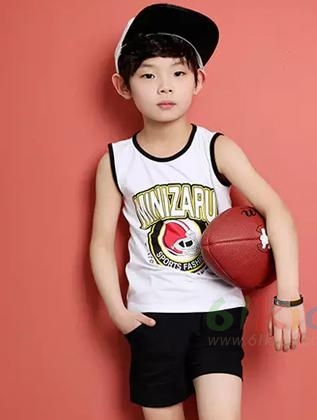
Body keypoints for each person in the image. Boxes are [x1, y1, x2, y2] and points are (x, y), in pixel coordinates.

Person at [89, 3, 306, 420]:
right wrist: (118, 312)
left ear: (198, 80)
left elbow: (277, 212)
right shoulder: (116, 161)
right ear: (123, 85)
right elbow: (100, 242)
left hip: (217, 313)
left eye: (178, 73)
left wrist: (289, 298)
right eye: (148, 75)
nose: (164, 87)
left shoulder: (216, 149)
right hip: (151, 316)